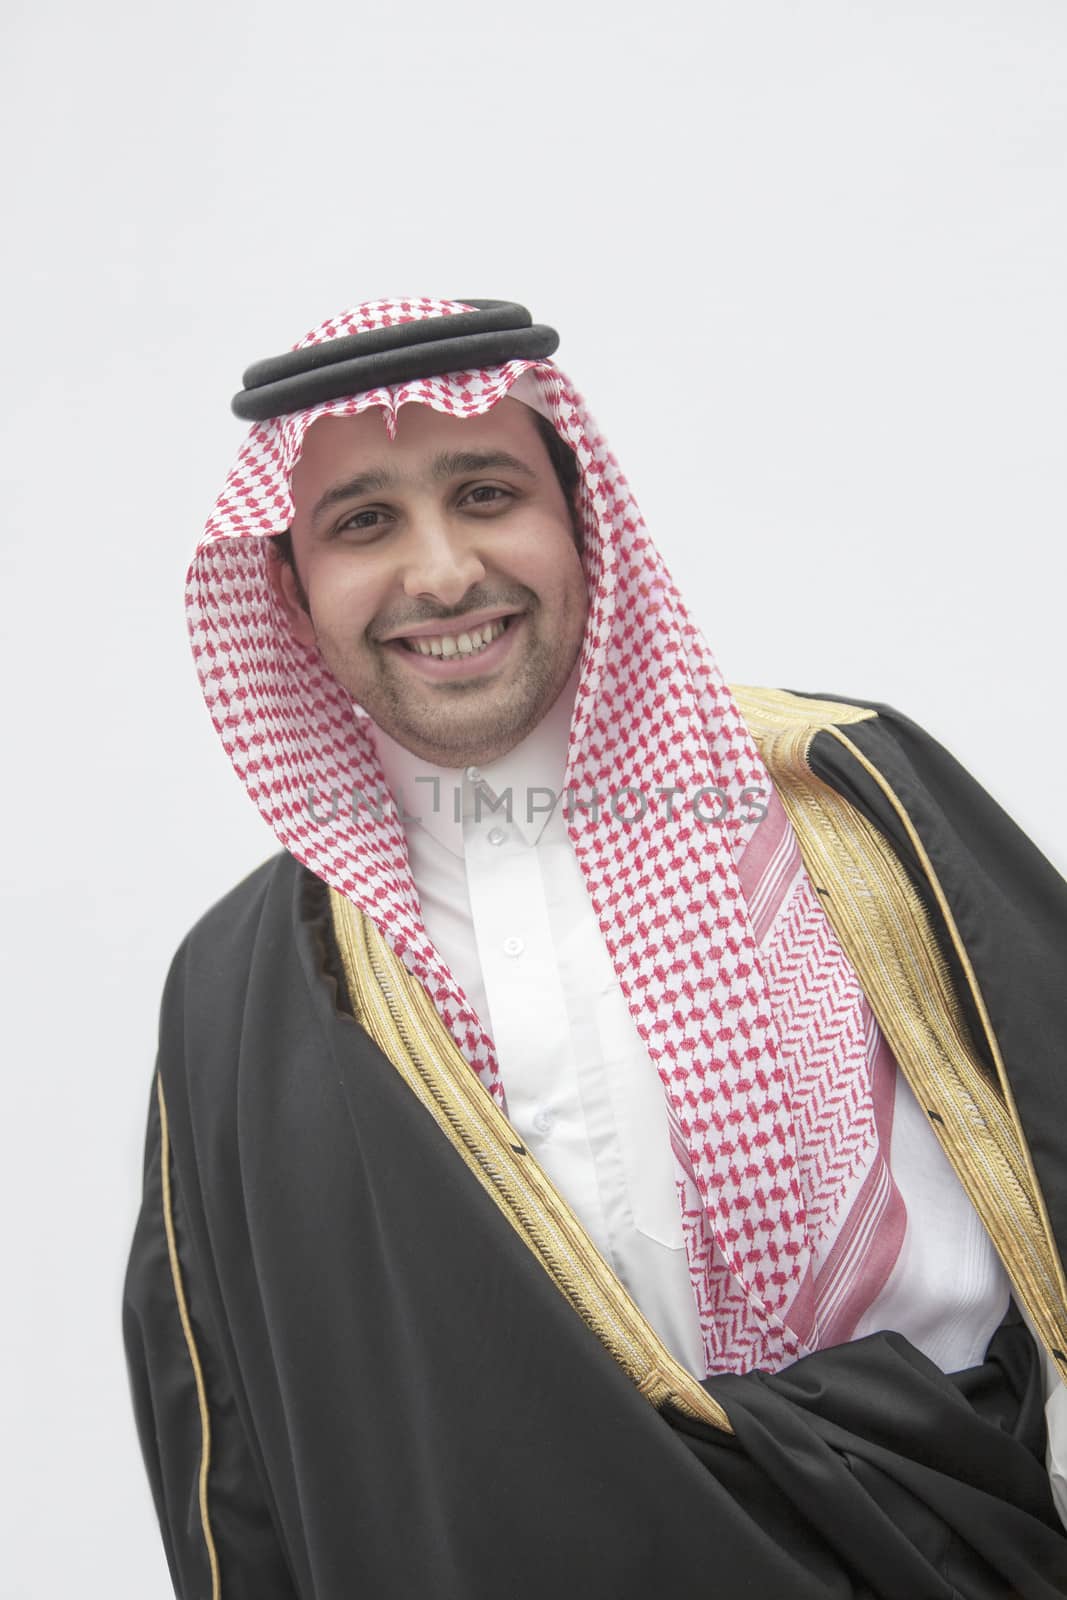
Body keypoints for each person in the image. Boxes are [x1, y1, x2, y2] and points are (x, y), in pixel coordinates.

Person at [123, 297, 1067, 1599]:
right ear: (289, 585)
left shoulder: (845, 805)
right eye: (363, 523)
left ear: (581, 519)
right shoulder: (242, 988)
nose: (443, 571)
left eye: (488, 492)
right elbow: (226, 1455)